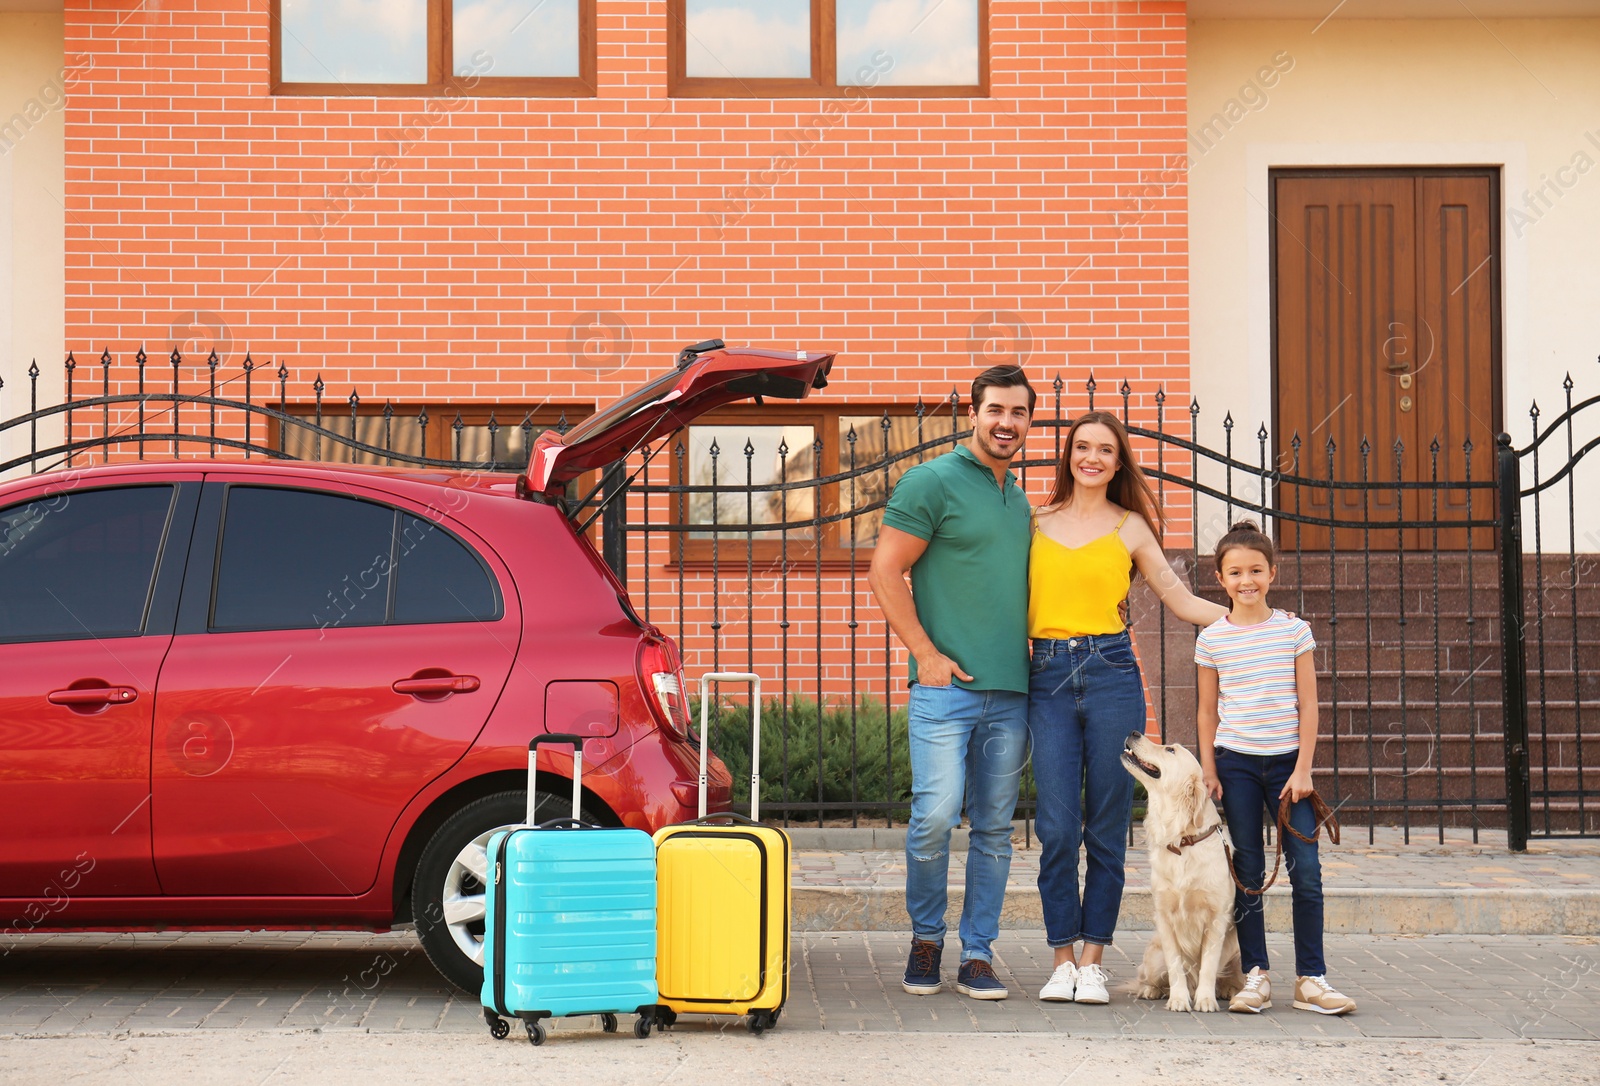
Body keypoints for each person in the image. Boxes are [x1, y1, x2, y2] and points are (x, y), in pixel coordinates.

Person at [1029, 411, 1228, 1005]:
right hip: (1046, 675)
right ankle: (1061, 958)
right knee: (1058, 827)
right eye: (1082, 447)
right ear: (1069, 455)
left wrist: (1251, 621)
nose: (1091, 457)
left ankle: (1092, 961)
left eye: (1105, 450)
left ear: (1119, 463)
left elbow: (1179, 597)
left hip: (1113, 672)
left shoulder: (1132, 527)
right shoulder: (1032, 522)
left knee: (1108, 827)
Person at [867, 365, 1034, 1000]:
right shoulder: (931, 481)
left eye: (1019, 413)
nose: (1007, 423)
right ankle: (927, 937)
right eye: (997, 410)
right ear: (974, 412)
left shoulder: (1017, 497)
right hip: (945, 692)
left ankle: (979, 953)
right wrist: (925, 655)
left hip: (1012, 693)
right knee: (935, 817)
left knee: (994, 828)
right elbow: (886, 571)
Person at [1196, 519, 1357, 1016]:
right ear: (1220, 579)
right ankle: (1256, 975)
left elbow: (1309, 705)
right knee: (1246, 871)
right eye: (1236, 572)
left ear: (1272, 572)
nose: (1247, 580)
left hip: (1290, 767)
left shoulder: (1294, 630)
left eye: (1256, 570)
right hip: (1236, 765)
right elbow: (1206, 710)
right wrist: (1210, 770)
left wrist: (1304, 769)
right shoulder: (1213, 639)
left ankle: (1312, 978)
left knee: (1305, 871)